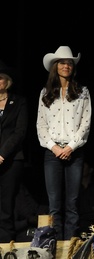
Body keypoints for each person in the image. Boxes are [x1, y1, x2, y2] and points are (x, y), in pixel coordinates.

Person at [36, 46, 92, 240]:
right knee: (54, 202)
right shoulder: (46, 93)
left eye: (69, 63)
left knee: (72, 202)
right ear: (55, 66)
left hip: (73, 151)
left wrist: (69, 147)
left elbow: (85, 123)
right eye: (62, 62)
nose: (66, 66)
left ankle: (70, 243)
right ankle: (55, 243)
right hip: (52, 152)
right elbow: (41, 124)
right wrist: (55, 147)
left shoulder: (82, 92)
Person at [0, 60, 28, 243]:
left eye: (0, 78)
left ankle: (5, 241)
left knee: (6, 203)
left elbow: (20, 132)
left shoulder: (19, 102)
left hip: (11, 159)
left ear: (7, 81)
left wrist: (2, 154)